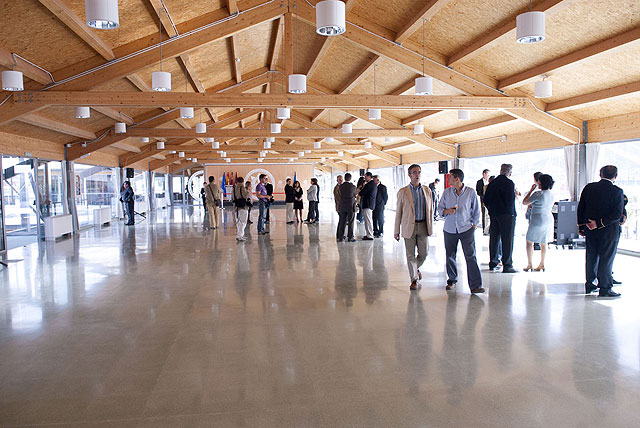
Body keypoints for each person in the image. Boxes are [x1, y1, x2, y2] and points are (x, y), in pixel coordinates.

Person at [578, 165, 624, 297]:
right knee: (606, 259)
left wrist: (582, 226)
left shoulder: (589, 188)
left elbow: (581, 208)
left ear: (600, 174)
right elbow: (617, 214)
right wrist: (599, 223)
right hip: (608, 231)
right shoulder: (617, 191)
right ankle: (605, 288)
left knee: (591, 256)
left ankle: (590, 284)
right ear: (615, 176)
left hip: (590, 229)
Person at [437, 168, 484, 293]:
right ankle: (452, 280)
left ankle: (475, 286)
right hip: (449, 229)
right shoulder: (447, 193)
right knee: (450, 255)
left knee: (470, 256)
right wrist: (447, 211)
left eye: (450, 177)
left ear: (457, 179)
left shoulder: (470, 192)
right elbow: (440, 209)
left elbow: (476, 211)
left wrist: (474, 226)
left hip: (466, 229)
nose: (448, 180)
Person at [394, 164, 433, 291]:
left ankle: (415, 268)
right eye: (415, 172)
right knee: (410, 255)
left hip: (423, 226)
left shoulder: (427, 191)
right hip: (408, 226)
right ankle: (414, 279)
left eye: (419, 172)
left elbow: (431, 210)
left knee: (424, 253)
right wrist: (396, 231)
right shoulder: (403, 192)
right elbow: (398, 212)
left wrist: (431, 226)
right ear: (409, 175)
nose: (418, 175)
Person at [483, 163, 517, 273]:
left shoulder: (492, 183)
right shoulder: (509, 183)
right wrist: (511, 213)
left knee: (494, 238)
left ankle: (493, 262)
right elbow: (510, 200)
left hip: (494, 214)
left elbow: (486, 199)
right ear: (510, 173)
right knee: (507, 240)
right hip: (506, 215)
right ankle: (507, 265)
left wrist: (492, 210)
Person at [522, 173, 555, 272]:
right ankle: (542, 264)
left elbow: (525, 202)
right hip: (548, 218)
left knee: (529, 241)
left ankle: (530, 264)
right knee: (544, 242)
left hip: (537, 218)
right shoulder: (551, 194)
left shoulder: (538, 194)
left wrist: (531, 190)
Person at [337, 173, 357, 242]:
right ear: (350, 178)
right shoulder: (353, 187)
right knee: (351, 221)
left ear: (344, 178)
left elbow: (339, 194)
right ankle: (350, 237)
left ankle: (341, 237)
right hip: (350, 206)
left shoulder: (341, 187)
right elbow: (355, 195)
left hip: (342, 205)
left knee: (342, 221)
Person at [359, 172, 377, 240]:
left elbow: (361, 193)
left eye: (366, 177)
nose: (365, 178)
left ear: (369, 177)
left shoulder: (369, 184)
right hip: (370, 204)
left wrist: (362, 188)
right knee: (368, 220)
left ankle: (369, 235)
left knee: (368, 221)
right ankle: (369, 234)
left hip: (368, 204)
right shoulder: (373, 184)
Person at [233, 176, 250, 241]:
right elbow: (245, 196)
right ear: (243, 181)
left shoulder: (234, 188)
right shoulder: (242, 187)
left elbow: (232, 198)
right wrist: (247, 192)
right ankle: (240, 236)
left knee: (238, 221)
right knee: (243, 221)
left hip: (236, 207)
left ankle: (239, 235)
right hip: (243, 206)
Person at [475, 169, 490, 234]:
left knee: (489, 215)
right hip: (483, 200)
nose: (488, 176)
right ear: (484, 174)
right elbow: (478, 191)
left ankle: (489, 229)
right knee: (484, 214)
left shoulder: (490, 181)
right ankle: (485, 230)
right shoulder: (479, 182)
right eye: (487, 174)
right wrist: (484, 195)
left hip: (490, 200)